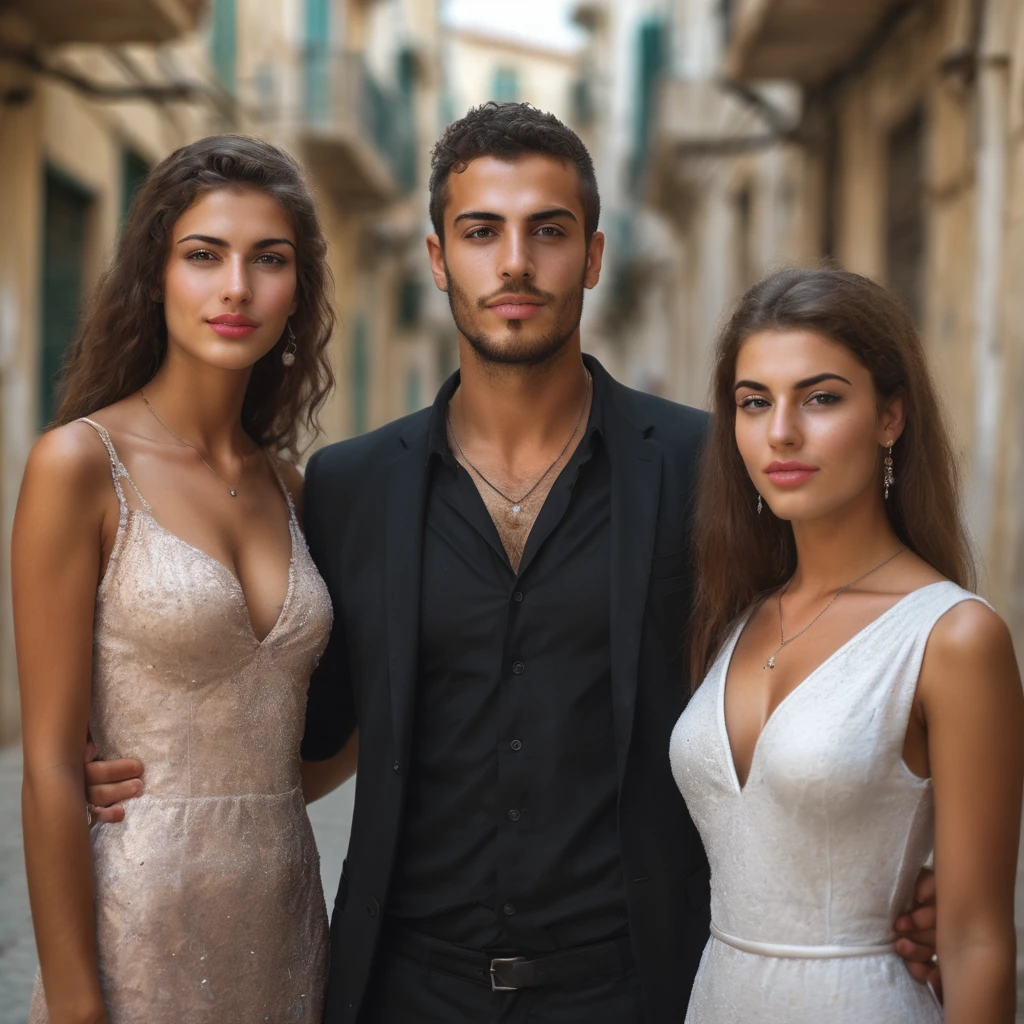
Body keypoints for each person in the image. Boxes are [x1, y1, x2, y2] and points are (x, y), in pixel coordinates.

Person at [85, 104, 939, 1022]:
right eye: (482, 232)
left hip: (637, 986)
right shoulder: (350, 485)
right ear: (438, 258)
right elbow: (318, 729)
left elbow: (822, 645)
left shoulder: (706, 468)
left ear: (595, 257)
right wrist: (163, 774)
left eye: (550, 231)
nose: (516, 264)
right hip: (404, 991)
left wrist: (895, 850)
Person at [14, 134, 345, 1024]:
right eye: (204, 255)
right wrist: (79, 1005)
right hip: (136, 941)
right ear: (154, 276)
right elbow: (48, 766)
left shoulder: (293, 490)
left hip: (284, 930)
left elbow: (283, 759)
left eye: (268, 260)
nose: (236, 286)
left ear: (297, 293)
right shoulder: (80, 465)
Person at [671, 266, 1024, 1022]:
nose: (781, 433)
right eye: (753, 402)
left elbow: (978, 941)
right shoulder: (737, 615)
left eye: (821, 398)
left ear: (891, 415)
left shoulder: (954, 637)